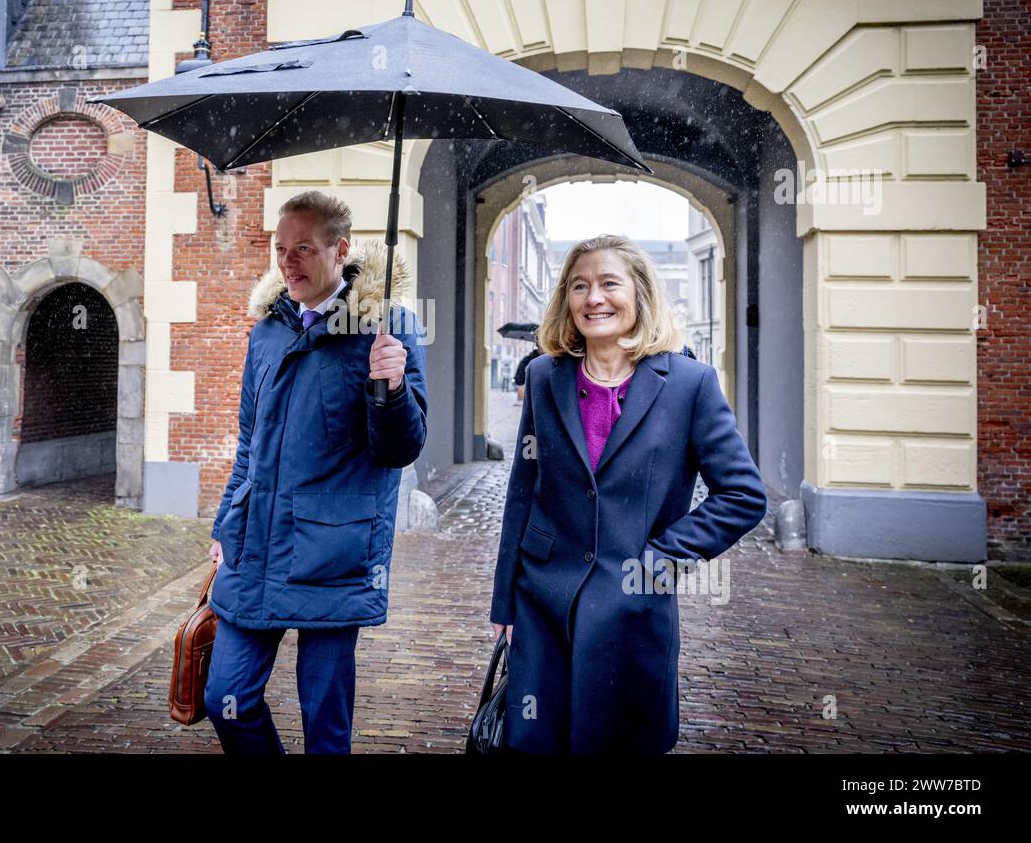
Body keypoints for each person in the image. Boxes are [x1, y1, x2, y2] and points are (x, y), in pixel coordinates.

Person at [489, 234, 766, 753]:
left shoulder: (690, 383)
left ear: (639, 293)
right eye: (579, 286)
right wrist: (505, 601)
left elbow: (743, 496)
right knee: (535, 740)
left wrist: (660, 560)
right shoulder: (545, 376)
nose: (594, 298)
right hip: (542, 603)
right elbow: (522, 492)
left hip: (634, 611)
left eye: (609, 283)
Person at [205, 190, 428, 754]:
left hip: (333, 548)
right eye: (281, 249)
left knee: (324, 721)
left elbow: (400, 449)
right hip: (254, 540)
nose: (289, 262)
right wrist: (223, 524)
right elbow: (249, 443)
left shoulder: (386, 325)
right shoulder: (267, 331)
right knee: (226, 697)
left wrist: (393, 386)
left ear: (340, 249)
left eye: (303, 248)